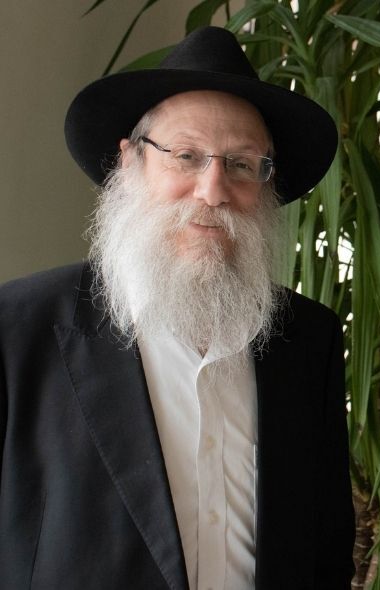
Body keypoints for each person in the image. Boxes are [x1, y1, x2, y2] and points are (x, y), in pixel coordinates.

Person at [0, 26, 354, 589]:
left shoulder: (309, 337)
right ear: (129, 162)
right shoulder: (17, 328)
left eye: (242, 164)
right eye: (186, 156)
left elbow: (326, 548)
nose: (213, 190)